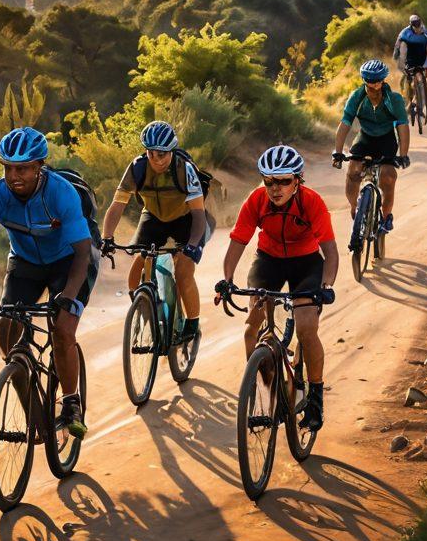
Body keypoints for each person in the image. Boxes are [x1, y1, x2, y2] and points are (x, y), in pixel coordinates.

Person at [0, 127, 96, 438]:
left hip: (69, 262)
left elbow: (83, 254)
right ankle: (33, 410)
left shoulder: (60, 192)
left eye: (24, 168)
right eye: (8, 168)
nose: (14, 176)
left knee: (63, 328)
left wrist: (67, 297)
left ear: (40, 165)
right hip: (25, 263)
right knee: (6, 335)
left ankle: (70, 402)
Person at [216, 145, 338, 431]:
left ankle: (316, 399)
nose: (276, 188)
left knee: (307, 328)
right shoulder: (256, 200)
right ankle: (271, 393)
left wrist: (326, 286)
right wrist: (227, 279)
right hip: (268, 260)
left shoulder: (312, 202)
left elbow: (330, 253)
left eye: (284, 181)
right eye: (269, 181)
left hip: (307, 263)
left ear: (297, 181)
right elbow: (238, 242)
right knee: (251, 329)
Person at [101, 121, 207, 343]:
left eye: (162, 154)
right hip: (153, 216)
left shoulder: (184, 169)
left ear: (171, 151)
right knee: (139, 261)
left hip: (185, 219)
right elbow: (118, 204)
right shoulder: (137, 168)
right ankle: (143, 303)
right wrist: (107, 237)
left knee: (184, 271)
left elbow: (198, 214)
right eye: (151, 153)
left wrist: (193, 246)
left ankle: (192, 323)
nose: (157, 160)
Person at [332, 60, 410, 234]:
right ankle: (355, 207)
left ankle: (386, 216)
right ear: (364, 80)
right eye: (370, 81)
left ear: (383, 80)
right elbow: (345, 123)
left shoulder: (394, 99)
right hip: (365, 138)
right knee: (353, 172)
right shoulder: (356, 97)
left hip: (387, 139)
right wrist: (337, 153)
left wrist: (403, 154)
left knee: (388, 177)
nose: (374, 85)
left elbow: (402, 126)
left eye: (377, 81)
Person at [392, 14, 427, 89]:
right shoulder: (405, 32)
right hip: (409, 54)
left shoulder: (425, 32)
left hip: (420, 54)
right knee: (403, 48)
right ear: (411, 25)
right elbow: (397, 45)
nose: (418, 29)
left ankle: (418, 90)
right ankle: (406, 85)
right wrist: (396, 54)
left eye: (419, 26)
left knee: (425, 69)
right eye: (415, 27)